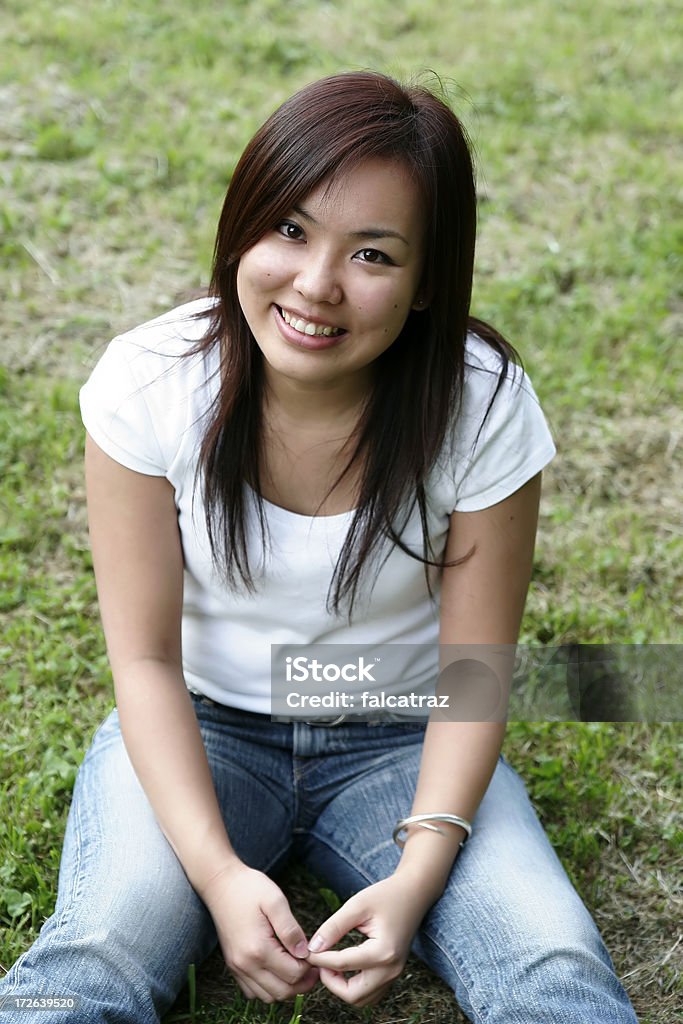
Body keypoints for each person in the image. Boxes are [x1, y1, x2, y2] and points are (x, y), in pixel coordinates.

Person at [0, 71, 637, 1023]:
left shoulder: (481, 401)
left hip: (406, 729)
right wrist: (217, 876)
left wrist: (419, 872)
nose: (315, 285)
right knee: (98, 951)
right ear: (241, 227)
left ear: (427, 282)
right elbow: (141, 661)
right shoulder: (148, 386)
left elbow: (475, 669)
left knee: (550, 968)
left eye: (373, 254)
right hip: (202, 724)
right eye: (289, 230)